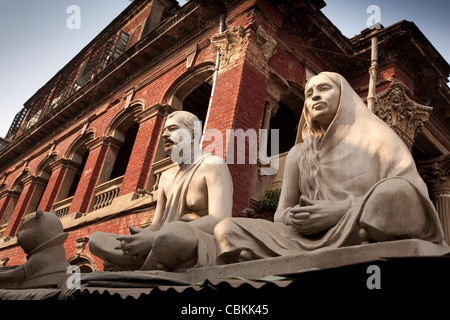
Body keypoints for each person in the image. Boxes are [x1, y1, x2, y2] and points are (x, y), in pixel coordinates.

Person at [214, 72, 445, 264]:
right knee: (227, 229)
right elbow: (280, 214)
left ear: (343, 96)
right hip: (304, 238)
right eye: (309, 94)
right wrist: (296, 217)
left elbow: (414, 195)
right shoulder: (299, 153)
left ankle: (358, 233)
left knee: (396, 192)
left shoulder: (379, 138)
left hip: (355, 222)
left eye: (324, 89)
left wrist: (338, 211)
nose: (315, 97)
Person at [89, 111, 233, 271]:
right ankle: (149, 257)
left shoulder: (213, 164)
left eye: (172, 129)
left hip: (191, 240)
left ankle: (144, 261)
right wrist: (142, 237)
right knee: (96, 239)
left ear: (193, 134)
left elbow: (220, 217)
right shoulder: (166, 176)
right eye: (165, 130)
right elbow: (157, 223)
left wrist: (155, 238)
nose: (165, 135)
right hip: (161, 240)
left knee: (173, 233)